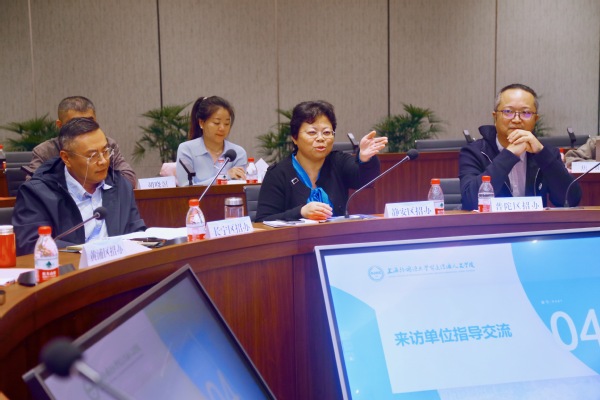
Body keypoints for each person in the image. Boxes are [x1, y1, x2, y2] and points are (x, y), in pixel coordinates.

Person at [13, 117, 146, 255]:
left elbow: (136, 232)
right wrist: (87, 253)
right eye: (92, 156)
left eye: (105, 151)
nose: (103, 161)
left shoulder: (120, 185)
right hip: (69, 267)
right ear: (66, 158)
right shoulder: (37, 194)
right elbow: (31, 245)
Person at [255, 100, 388, 222]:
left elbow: (364, 179)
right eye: (312, 133)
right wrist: (300, 212)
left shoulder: (338, 162)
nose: (320, 138)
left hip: (336, 237)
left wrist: (365, 158)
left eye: (326, 132)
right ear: (295, 138)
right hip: (295, 240)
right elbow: (263, 221)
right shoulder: (278, 174)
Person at [459, 83, 581, 210]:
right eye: (508, 112)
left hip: (535, 223)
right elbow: (469, 201)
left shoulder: (546, 153)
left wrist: (542, 155)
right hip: (491, 223)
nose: (516, 120)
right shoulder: (474, 152)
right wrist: (509, 155)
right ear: (495, 117)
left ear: (535, 119)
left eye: (526, 113)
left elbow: (571, 200)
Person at [24, 96, 137, 188]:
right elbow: (32, 187)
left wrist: (95, 184)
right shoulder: (44, 151)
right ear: (60, 125)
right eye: (75, 123)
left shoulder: (107, 144)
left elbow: (129, 179)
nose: (84, 128)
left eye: (89, 122)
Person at [176, 96, 247, 186]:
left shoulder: (237, 153)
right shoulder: (186, 149)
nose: (222, 128)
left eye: (226, 124)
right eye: (216, 123)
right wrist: (225, 176)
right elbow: (186, 188)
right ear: (202, 123)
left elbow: (240, 188)